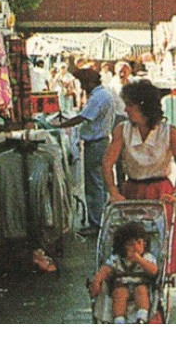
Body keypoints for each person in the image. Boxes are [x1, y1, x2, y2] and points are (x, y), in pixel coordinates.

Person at [104, 79, 176, 277]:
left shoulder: (170, 133)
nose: (125, 110)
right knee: (130, 243)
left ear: (143, 106)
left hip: (160, 193)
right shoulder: (122, 131)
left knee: (160, 243)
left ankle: (161, 282)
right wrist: (114, 192)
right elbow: (107, 164)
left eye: (130, 105)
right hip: (132, 191)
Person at [54, 66, 117, 235]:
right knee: (100, 183)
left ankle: (96, 224)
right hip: (101, 142)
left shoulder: (98, 97)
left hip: (96, 143)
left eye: (82, 83)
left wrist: (59, 125)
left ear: (89, 81)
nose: (81, 87)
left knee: (93, 184)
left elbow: (83, 117)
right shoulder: (104, 94)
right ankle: (102, 220)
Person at [89, 220, 161, 324]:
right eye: (131, 245)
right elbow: (105, 269)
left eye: (139, 243)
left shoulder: (146, 258)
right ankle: (119, 319)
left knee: (141, 291)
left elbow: (154, 271)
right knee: (119, 294)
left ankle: (141, 317)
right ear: (122, 246)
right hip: (121, 285)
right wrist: (97, 281)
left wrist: (139, 260)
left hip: (140, 285)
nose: (136, 247)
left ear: (144, 244)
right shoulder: (117, 259)